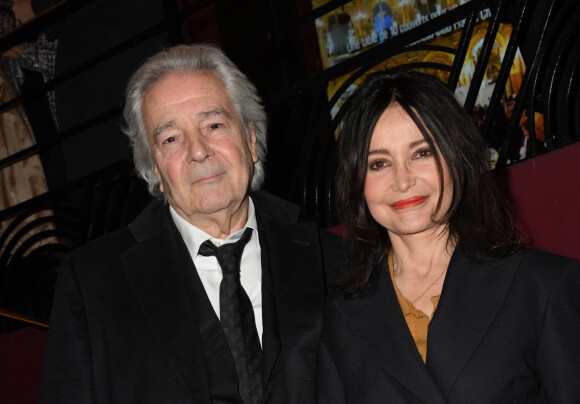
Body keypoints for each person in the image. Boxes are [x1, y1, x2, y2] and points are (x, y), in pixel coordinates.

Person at [38, 44, 345, 403]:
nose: (198, 150)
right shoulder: (93, 284)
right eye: (171, 138)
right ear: (154, 166)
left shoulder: (333, 260)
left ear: (250, 140)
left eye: (214, 125)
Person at [317, 68, 580, 403]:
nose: (403, 181)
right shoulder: (337, 318)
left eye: (422, 153)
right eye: (379, 164)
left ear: (456, 156)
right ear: (357, 181)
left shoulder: (542, 286)